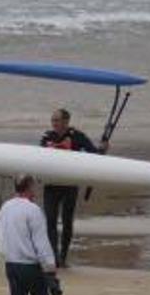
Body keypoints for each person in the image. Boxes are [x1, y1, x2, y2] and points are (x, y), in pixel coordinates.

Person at [38, 107, 108, 268]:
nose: (54, 123)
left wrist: (103, 149)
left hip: (69, 186)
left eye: (57, 120)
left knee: (67, 222)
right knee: (50, 222)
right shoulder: (46, 137)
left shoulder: (77, 136)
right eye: (52, 120)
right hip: (51, 186)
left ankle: (63, 257)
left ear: (66, 121)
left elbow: (94, 154)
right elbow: (38, 159)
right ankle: (54, 257)